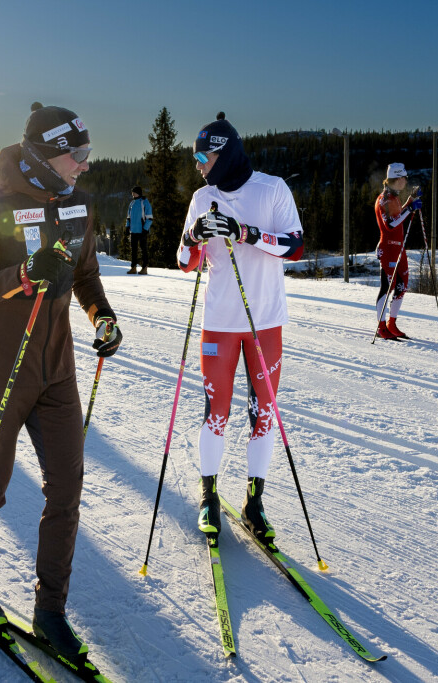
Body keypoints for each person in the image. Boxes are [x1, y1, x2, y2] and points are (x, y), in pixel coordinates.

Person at [0, 102, 121, 663]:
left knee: (67, 490)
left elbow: (87, 274)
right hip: (0, 373)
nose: (86, 165)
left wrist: (103, 317)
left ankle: (51, 611)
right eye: (79, 155)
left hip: (57, 371)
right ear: (46, 157)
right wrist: (19, 277)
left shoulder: (78, 205)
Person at [177, 112, 304, 545]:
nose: (197, 164)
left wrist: (246, 233)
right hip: (219, 325)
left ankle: (255, 501)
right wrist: (194, 236)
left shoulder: (272, 189)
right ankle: (209, 495)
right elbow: (183, 261)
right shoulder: (200, 197)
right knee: (216, 413)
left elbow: (295, 245)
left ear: (225, 154)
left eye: (202, 155)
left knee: (263, 414)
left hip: (264, 323)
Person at [373, 163, 422, 340]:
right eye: (404, 178)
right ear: (398, 178)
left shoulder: (395, 197)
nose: (405, 181)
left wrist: (410, 201)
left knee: (402, 286)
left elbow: (397, 216)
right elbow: (391, 224)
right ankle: (381, 327)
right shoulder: (384, 199)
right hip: (388, 248)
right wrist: (410, 208)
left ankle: (391, 323)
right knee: (388, 287)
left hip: (399, 248)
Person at [125, 186, 153, 274]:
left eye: (134, 192)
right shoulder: (132, 203)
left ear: (139, 193)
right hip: (133, 231)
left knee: (143, 249)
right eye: (132, 192)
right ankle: (133, 268)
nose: (133, 194)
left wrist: (145, 229)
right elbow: (128, 217)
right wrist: (127, 227)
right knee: (133, 250)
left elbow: (149, 218)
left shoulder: (145, 202)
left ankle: (144, 268)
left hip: (142, 231)